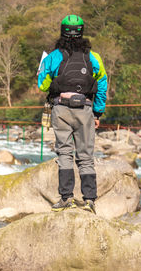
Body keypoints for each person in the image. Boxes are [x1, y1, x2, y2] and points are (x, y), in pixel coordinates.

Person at [37, 14, 107, 214]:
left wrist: (48, 77)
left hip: (61, 109)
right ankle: (90, 200)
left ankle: (66, 198)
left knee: (65, 153)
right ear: (82, 32)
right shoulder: (93, 57)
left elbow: (42, 85)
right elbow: (102, 84)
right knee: (86, 156)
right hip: (85, 109)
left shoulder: (52, 57)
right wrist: (97, 112)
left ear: (62, 32)